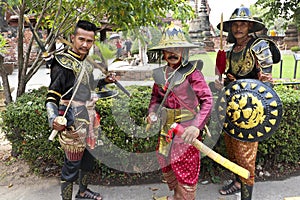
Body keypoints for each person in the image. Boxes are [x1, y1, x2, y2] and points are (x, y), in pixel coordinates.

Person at [45, 20, 116, 200]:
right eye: (81, 39)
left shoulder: (88, 62)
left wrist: (104, 82)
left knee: (88, 160)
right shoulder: (62, 63)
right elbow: (52, 96)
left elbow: (87, 86)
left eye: (89, 41)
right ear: (73, 38)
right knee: (72, 165)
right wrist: (53, 118)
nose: (85, 44)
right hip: (70, 118)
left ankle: (83, 191)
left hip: (89, 116)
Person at [214, 6, 277, 200]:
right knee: (233, 151)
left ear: (250, 25)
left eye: (242, 24)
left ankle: (246, 196)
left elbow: (265, 82)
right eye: (235, 24)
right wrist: (224, 81)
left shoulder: (259, 46)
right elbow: (232, 78)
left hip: (251, 111)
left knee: (246, 156)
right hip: (232, 107)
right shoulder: (233, 50)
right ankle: (237, 181)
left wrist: (263, 80)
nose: (238, 28)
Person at [146, 23, 213, 200]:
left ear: (183, 50)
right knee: (169, 167)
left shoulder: (192, 73)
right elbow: (155, 99)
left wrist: (197, 126)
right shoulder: (160, 74)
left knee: (185, 172)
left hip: (186, 130)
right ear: (163, 53)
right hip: (166, 131)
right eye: (168, 49)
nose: (172, 52)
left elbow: (207, 100)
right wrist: (152, 113)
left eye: (177, 48)